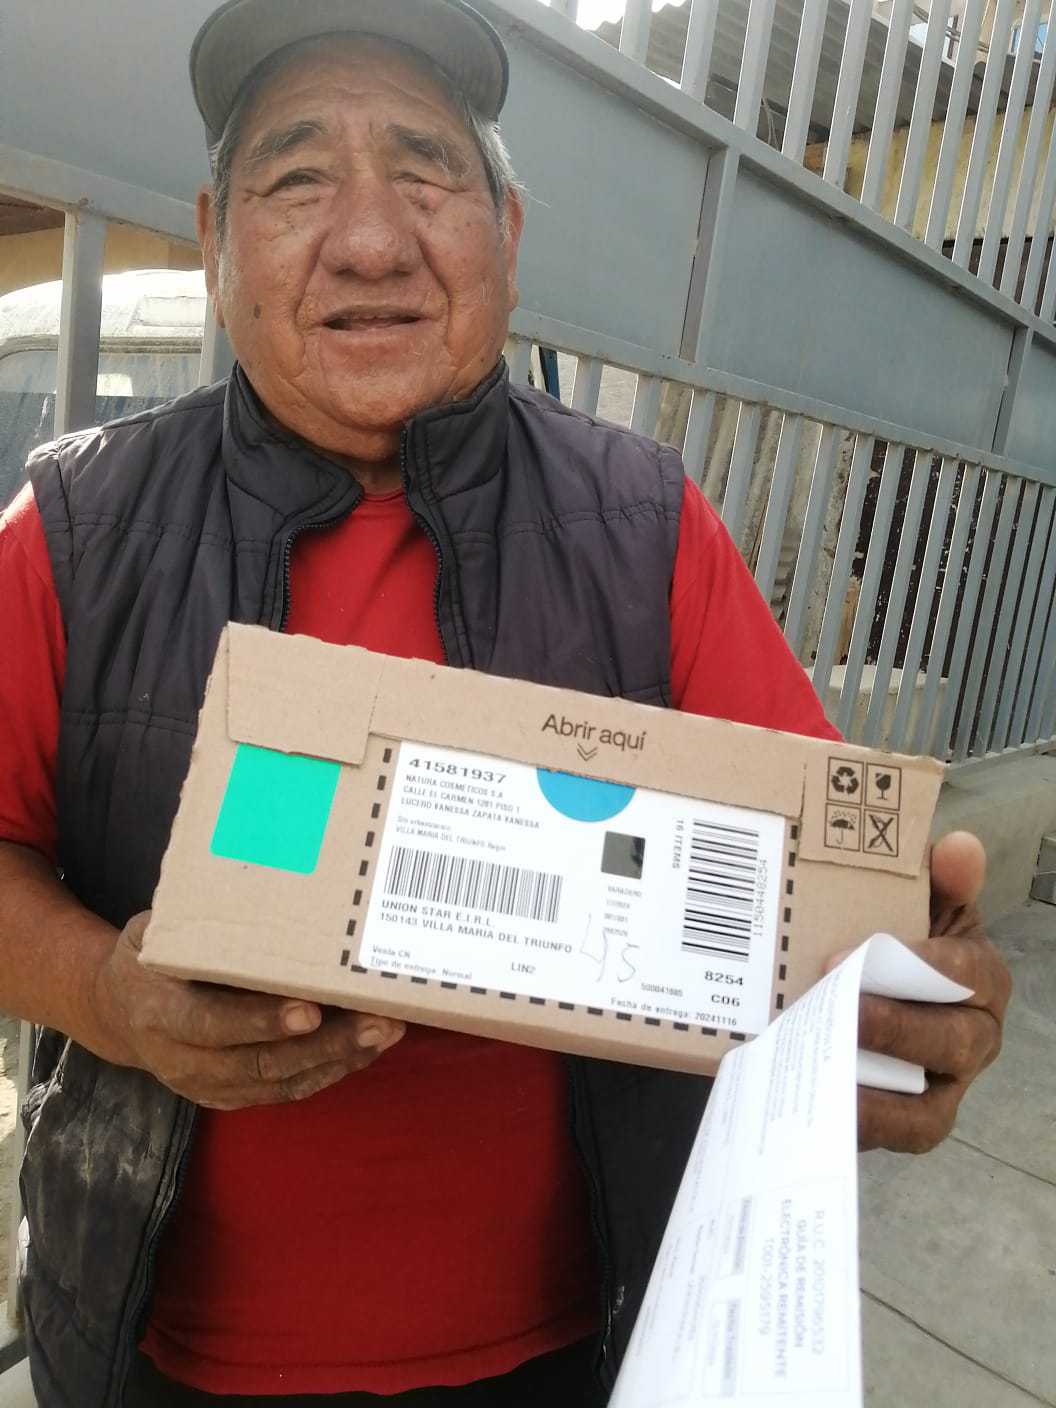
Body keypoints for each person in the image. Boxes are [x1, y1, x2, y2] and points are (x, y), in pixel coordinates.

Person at [0, 1, 1011, 1405]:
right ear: (219, 243)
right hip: (159, 1361)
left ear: (509, 234)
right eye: (298, 177)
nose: (370, 238)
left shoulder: (646, 528)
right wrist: (107, 999)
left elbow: (821, 895)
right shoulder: (73, 533)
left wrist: (906, 995)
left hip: (573, 1350)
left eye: (425, 171)